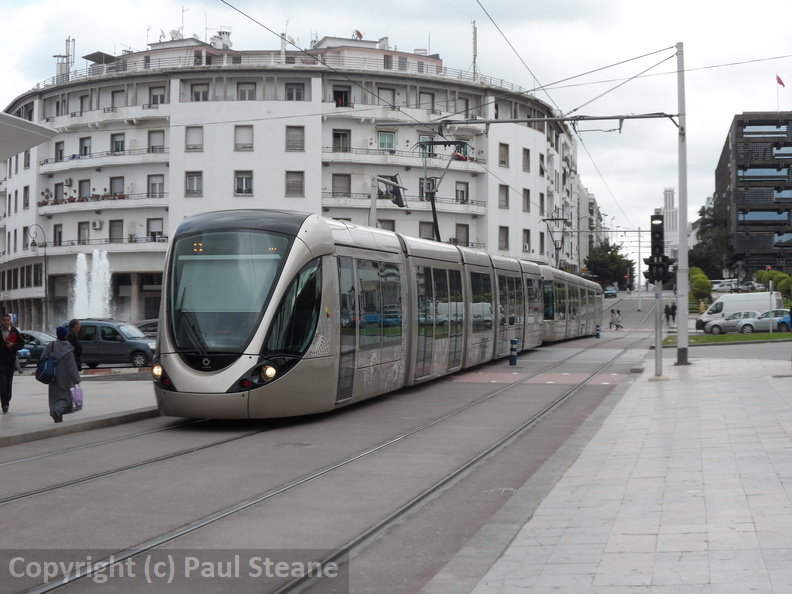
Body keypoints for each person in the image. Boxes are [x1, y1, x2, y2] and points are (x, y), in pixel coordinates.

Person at [43, 326, 81, 423]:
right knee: (65, 397)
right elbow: (72, 367)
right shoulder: (68, 349)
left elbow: (42, 358)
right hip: (65, 377)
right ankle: (57, 411)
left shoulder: (51, 345)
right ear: (66, 335)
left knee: (54, 396)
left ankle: (56, 414)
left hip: (52, 376)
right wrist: (76, 380)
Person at [0, 314, 25, 413]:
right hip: (0, 360)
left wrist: (13, 345)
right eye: (4, 320)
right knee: (2, 381)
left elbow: (21, 343)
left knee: (8, 381)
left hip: (10, 360)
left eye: (8, 320)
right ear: (2, 321)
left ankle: (7, 400)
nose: (6, 322)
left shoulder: (14, 331)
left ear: (10, 321)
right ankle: (4, 404)